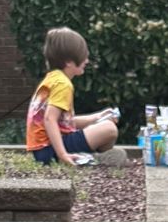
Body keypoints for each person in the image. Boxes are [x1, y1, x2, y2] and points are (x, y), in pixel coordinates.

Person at [26, 29, 119, 167]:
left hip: (43, 151)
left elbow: (63, 122)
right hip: (49, 151)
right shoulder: (63, 84)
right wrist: (63, 155)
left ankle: (93, 157)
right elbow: (49, 119)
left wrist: (97, 117)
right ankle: (96, 159)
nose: (86, 60)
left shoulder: (52, 79)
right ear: (69, 61)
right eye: (83, 57)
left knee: (104, 125)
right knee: (109, 129)